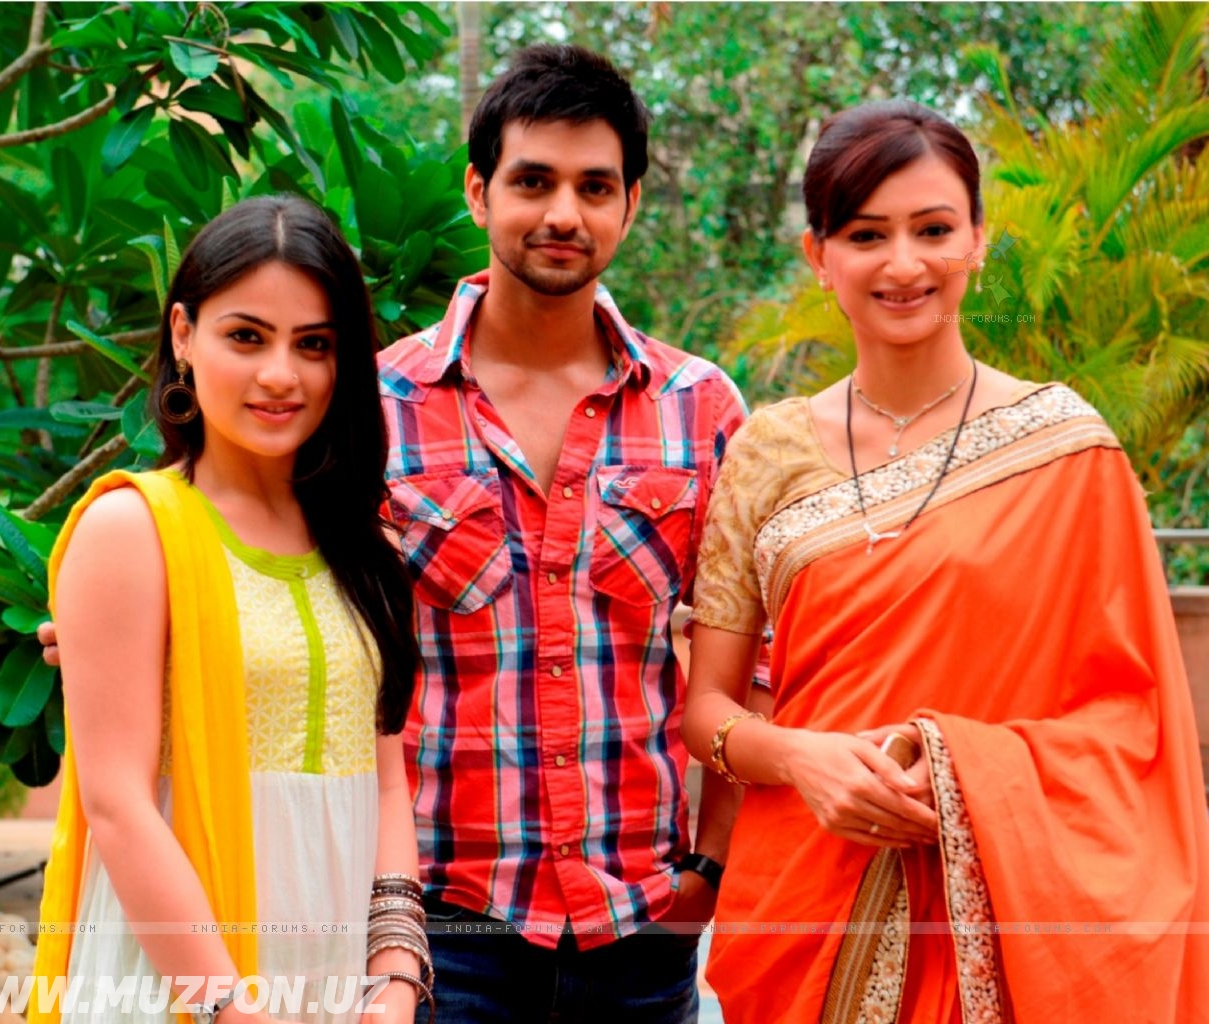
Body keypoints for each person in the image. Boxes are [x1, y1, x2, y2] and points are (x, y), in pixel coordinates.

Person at [682, 100, 1209, 1023]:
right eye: (866, 235)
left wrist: (963, 770)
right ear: (819, 255)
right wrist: (803, 758)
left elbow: (1138, 720)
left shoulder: (1068, 451)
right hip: (806, 905)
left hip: (1016, 910)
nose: (903, 265)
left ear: (977, 241)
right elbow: (707, 711)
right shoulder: (767, 452)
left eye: (932, 230)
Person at [378, 44, 748, 1023]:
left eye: (594, 187)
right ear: (478, 190)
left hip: (641, 928)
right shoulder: (380, 405)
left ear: (630, 203)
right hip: (443, 927)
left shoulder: (699, 407)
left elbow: (753, 656)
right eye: (532, 181)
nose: (563, 214)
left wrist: (708, 870)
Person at [31, 196, 431, 1024]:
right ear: (183, 334)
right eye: (247, 336)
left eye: (313, 344)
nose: (281, 374)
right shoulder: (131, 530)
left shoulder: (368, 550)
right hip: (176, 980)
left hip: (334, 978)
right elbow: (117, 804)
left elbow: (388, 783)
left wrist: (395, 976)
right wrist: (231, 1009)